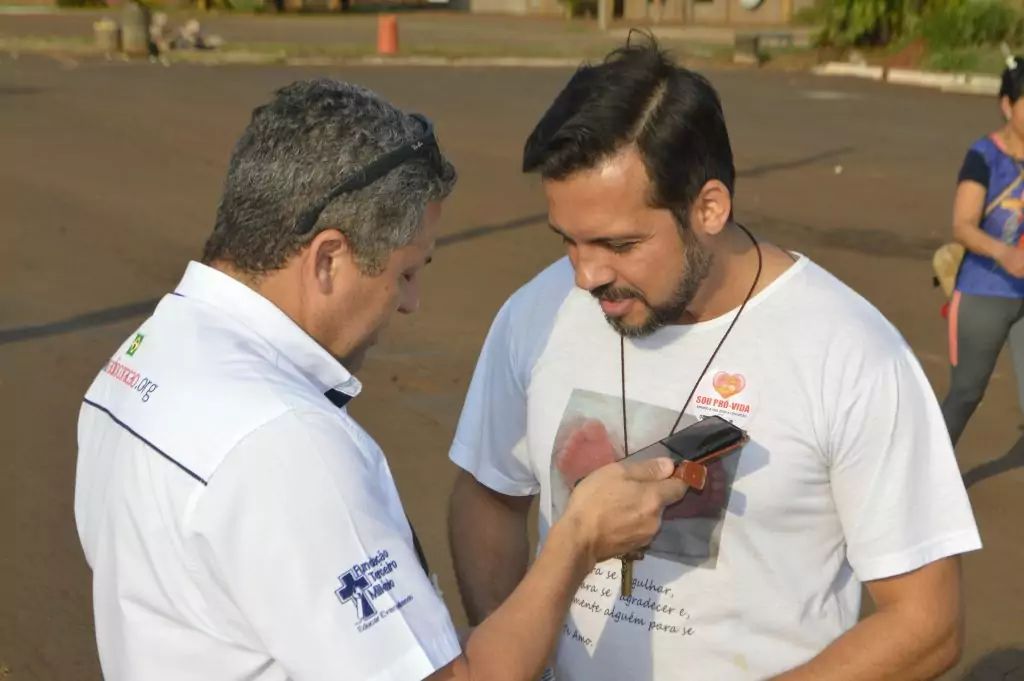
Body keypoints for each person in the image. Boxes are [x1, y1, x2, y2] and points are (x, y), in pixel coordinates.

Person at [73, 78, 689, 681]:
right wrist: (578, 539)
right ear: (328, 259)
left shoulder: (144, 356)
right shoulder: (289, 445)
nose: (410, 301)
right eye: (406, 272)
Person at [446, 39, 983, 681]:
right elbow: (489, 497)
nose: (585, 274)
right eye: (568, 240)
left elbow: (926, 624)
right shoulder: (537, 313)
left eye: (619, 243)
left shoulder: (852, 354)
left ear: (708, 207)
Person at [940, 53, 1024, 447]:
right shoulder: (983, 156)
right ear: (1007, 105)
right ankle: (925, 473)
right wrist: (1006, 255)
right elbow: (962, 225)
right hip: (983, 293)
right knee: (965, 395)